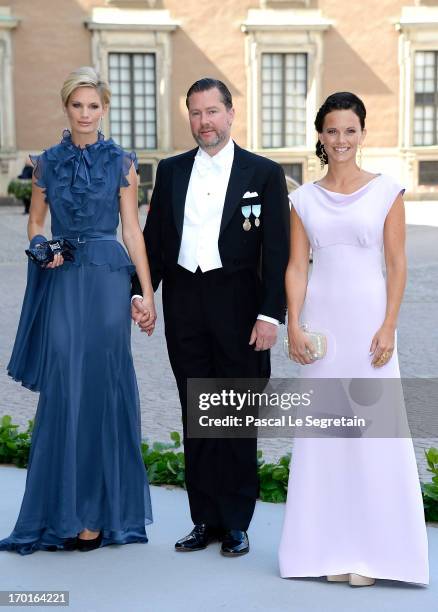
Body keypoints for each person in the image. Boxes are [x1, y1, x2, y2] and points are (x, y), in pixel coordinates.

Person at [132, 78, 290, 556]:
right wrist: (141, 294)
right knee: (198, 414)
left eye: (213, 112)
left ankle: (237, 521)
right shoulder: (172, 170)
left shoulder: (262, 172)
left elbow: (277, 249)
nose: (205, 122)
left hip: (242, 308)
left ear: (231, 113)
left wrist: (270, 315)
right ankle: (204, 519)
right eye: (196, 113)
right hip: (186, 306)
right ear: (189, 117)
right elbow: (156, 239)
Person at [0, 66, 155, 554]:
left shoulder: (122, 163)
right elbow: (35, 225)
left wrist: (146, 291)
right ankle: (64, 513)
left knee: (105, 386)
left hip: (109, 279)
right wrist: (45, 248)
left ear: (104, 109)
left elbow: (132, 230)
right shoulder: (45, 164)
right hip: (64, 280)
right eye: (77, 105)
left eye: (94, 106)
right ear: (66, 109)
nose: (86, 114)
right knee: (66, 384)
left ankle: (96, 518)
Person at [278, 92, 429, 586]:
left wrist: (389, 325)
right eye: (332, 130)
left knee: (374, 434)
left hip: (369, 326)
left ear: (363, 133)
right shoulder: (301, 199)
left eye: (350, 130)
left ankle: (376, 555)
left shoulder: (388, 191)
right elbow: (297, 266)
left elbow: (397, 264)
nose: (341, 139)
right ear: (320, 135)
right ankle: (327, 550)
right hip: (323, 330)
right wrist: (294, 325)